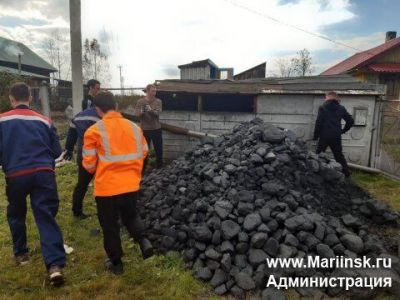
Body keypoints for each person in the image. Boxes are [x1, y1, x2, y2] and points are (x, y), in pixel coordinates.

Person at [0, 82, 66, 286]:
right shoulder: (44, 121)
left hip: (16, 174)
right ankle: (54, 265)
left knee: (16, 214)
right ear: (30, 98)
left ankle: (22, 255)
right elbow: (56, 152)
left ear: (11, 99)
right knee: (45, 215)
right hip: (43, 173)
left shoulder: (1, 120)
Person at [82, 91, 153, 275]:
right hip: (131, 185)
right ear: (116, 106)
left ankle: (116, 263)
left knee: (110, 225)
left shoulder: (94, 131)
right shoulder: (135, 128)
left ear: (98, 110)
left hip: (107, 189)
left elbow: (89, 166)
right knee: (130, 216)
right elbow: (145, 152)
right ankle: (144, 241)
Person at [64, 99, 100, 219]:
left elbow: (71, 135)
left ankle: (77, 211)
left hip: (83, 155)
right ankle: (105, 210)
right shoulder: (101, 116)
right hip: (101, 156)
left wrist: (68, 150)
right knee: (102, 184)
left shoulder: (78, 117)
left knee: (82, 184)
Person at [313, 91, 354, 177]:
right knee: (338, 155)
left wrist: (315, 136)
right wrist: (343, 131)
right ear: (336, 98)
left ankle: (316, 173)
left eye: (325, 97)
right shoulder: (341, 108)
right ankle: (346, 173)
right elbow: (350, 121)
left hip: (324, 136)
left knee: (319, 154)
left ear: (328, 98)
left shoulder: (322, 107)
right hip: (336, 136)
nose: (325, 99)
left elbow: (318, 123)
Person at [134, 84, 163, 170]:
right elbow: (136, 114)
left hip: (156, 129)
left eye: (155, 91)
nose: (154, 93)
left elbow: (158, 114)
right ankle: (143, 169)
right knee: (145, 151)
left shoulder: (158, 101)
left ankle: (160, 168)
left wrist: (150, 110)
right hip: (145, 130)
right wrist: (142, 111)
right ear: (147, 91)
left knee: (159, 150)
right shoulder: (140, 102)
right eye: (152, 91)